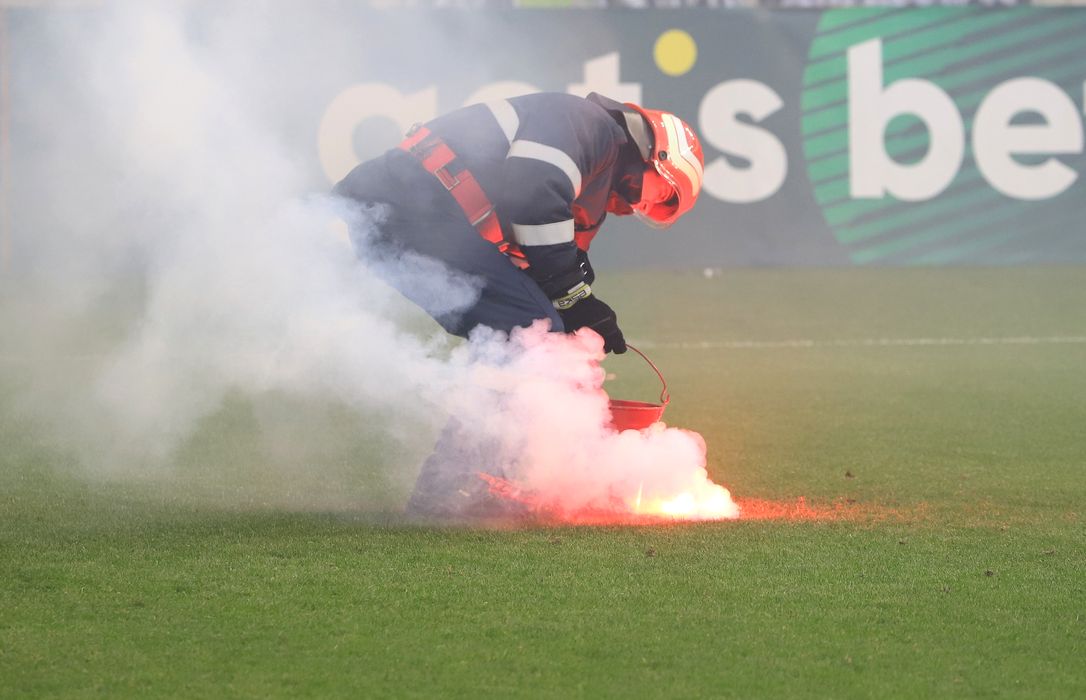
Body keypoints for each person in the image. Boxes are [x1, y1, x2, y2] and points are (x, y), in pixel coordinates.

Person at [333, 91, 705, 519]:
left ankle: (502, 477)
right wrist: (575, 299)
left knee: (540, 334)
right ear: (658, 156)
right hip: (402, 203)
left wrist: (578, 319)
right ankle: (454, 487)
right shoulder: (590, 127)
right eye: (663, 196)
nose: (643, 207)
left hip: (411, 209)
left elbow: (549, 274)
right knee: (529, 333)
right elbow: (533, 196)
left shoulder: (594, 180)